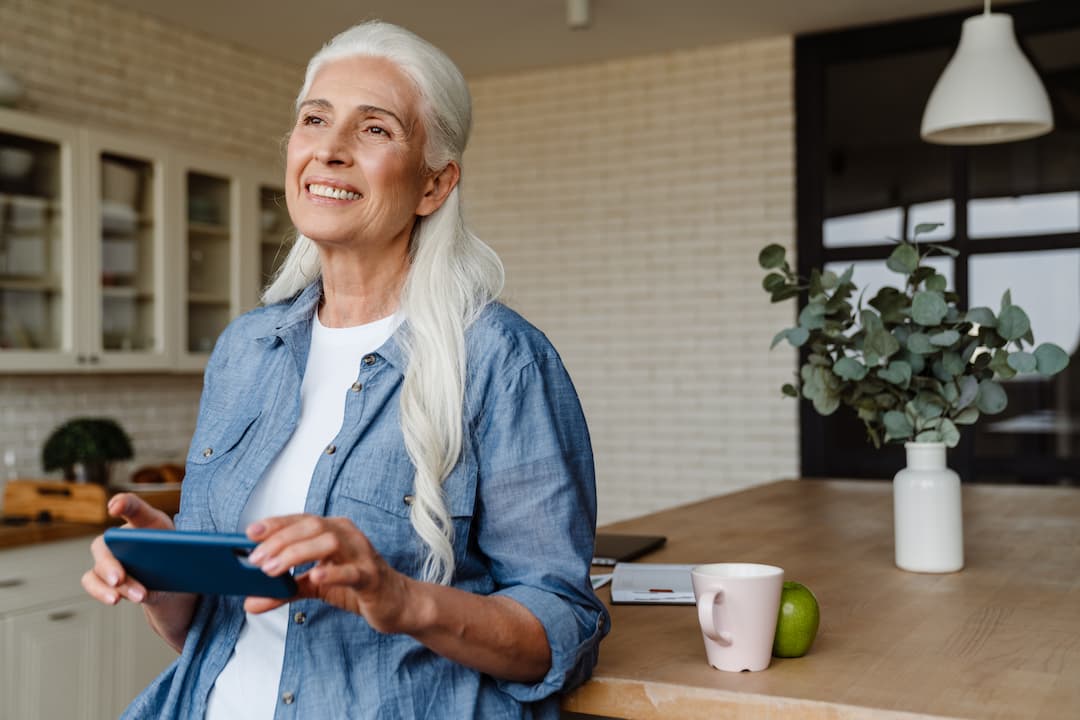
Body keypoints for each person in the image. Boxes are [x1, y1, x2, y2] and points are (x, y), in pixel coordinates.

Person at [81, 20, 608, 719]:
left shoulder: (503, 360)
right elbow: (210, 633)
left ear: (434, 184)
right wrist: (164, 574)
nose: (329, 149)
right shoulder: (247, 350)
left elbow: (560, 632)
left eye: (375, 130)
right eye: (315, 120)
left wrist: (401, 597)